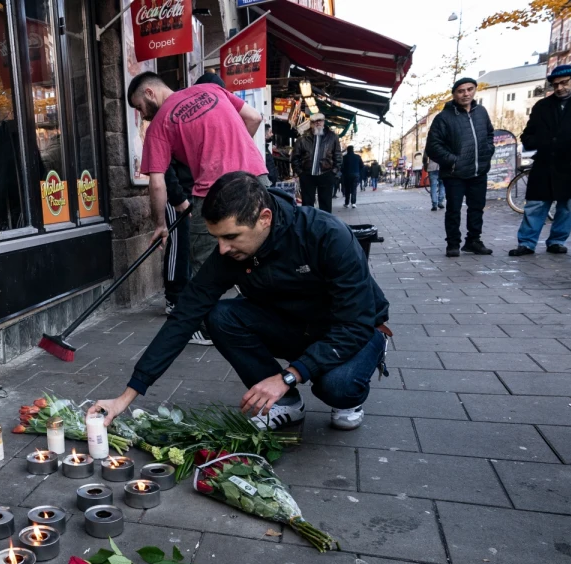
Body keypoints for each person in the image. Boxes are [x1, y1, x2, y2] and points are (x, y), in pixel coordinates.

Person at [89, 172, 392, 433]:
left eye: (231, 237)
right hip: (294, 326)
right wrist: (126, 396)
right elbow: (184, 316)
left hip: (351, 330)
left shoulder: (327, 235)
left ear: (264, 219)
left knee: (335, 386)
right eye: (217, 238)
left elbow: (354, 324)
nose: (222, 249)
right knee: (220, 316)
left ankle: (359, 377)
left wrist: (289, 375)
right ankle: (286, 404)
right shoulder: (232, 252)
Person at [127, 70, 268, 345]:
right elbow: (253, 117)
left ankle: (205, 328)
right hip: (255, 179)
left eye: (140, 107)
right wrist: (236, 156)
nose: (142, 115)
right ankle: (266, 317)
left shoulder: (159, 124)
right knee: (262, 248)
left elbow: (157, 183)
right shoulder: (212, 91)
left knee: (204, 263)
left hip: (213, 190)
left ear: (149, 93)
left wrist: (160, 225)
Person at [509, 64, 571, 257]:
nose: (559, 88)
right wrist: (542, 142)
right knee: (535, 204)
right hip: (546, 162)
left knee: (568, 206)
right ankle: (526, 243)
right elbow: (528, 135)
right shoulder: (542, 106)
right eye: (555, 84)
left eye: (564, 83)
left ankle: (557, 241)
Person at [426, 77, 495, 257]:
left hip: (479, 170)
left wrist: (488, 151)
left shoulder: (481, 112)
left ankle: (473, 241)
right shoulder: (443, 117)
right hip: (455, 173)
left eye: (470, 89)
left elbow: (490, 134)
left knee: (477, 208)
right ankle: (453, 244)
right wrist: (454, 160)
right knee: (453, 210)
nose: (466, 94)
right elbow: (433, 146)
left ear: (474, 90)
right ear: (454, 94)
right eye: (461, 91)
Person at [162, 157, 194, 314]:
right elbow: (165, 165)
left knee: (190, 246)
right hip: (177, 196)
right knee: (179, 244)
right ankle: (174, 297)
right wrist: (177, 196)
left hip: (194, 193)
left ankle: (185, 292)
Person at [291, 114, 341, 212]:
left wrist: (334, 172)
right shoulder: (303, 138)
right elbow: (295, 157)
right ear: (311, 123)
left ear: (324, 122)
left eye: (320, 120)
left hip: (326, 174)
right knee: (307, 205)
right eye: (314, 121)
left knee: (326, 204)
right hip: (307, 175)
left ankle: (324, 222)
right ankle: (308, 222)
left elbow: (338, 156)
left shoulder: (332, 137)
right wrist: (300, 173)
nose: (317, 123)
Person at [341, 143, 363, 209]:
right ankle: (353, 203)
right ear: (353, 150)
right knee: (354, 189)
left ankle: (347, 203)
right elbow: (362, 166)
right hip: (355, 175)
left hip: (347, 175)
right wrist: (358, 171)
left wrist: (344, 172)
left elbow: (341, 167)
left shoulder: (344, 157)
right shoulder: (358, 157)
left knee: (347, 189)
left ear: (347, 150)